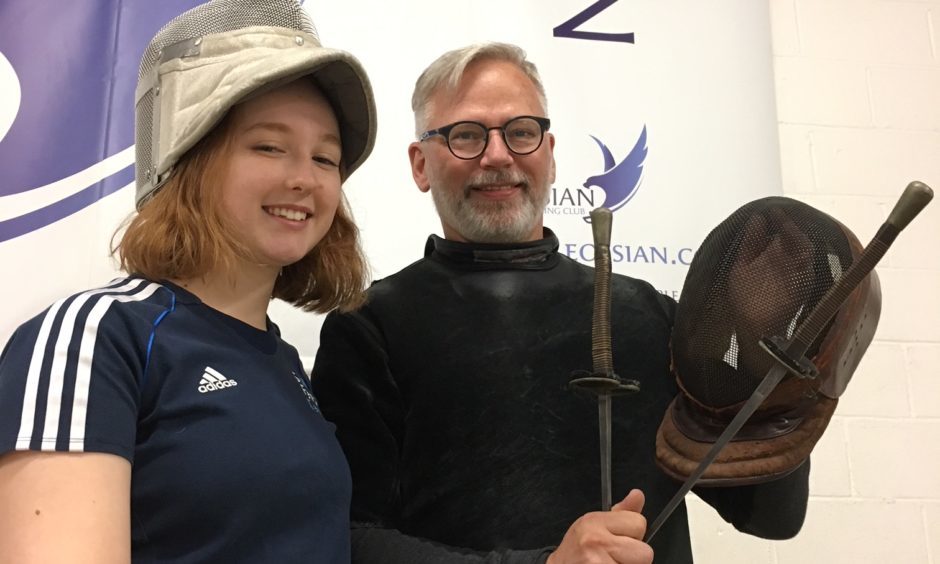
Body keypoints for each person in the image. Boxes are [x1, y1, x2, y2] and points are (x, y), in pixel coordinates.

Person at [311, 42, 809, 564]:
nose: (498, 155)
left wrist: (763, 363)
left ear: (549, 153)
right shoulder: (368, 327)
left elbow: (769, 515)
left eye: (521, 132)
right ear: (420, 164)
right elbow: (348, 537)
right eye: (466, 135)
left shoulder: (649, 314)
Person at [0, 1, 376, 562]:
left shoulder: (285, 362)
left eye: (325, 158)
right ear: (188, 161)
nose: (304, 179)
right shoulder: (92, 337)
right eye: (268, 146)